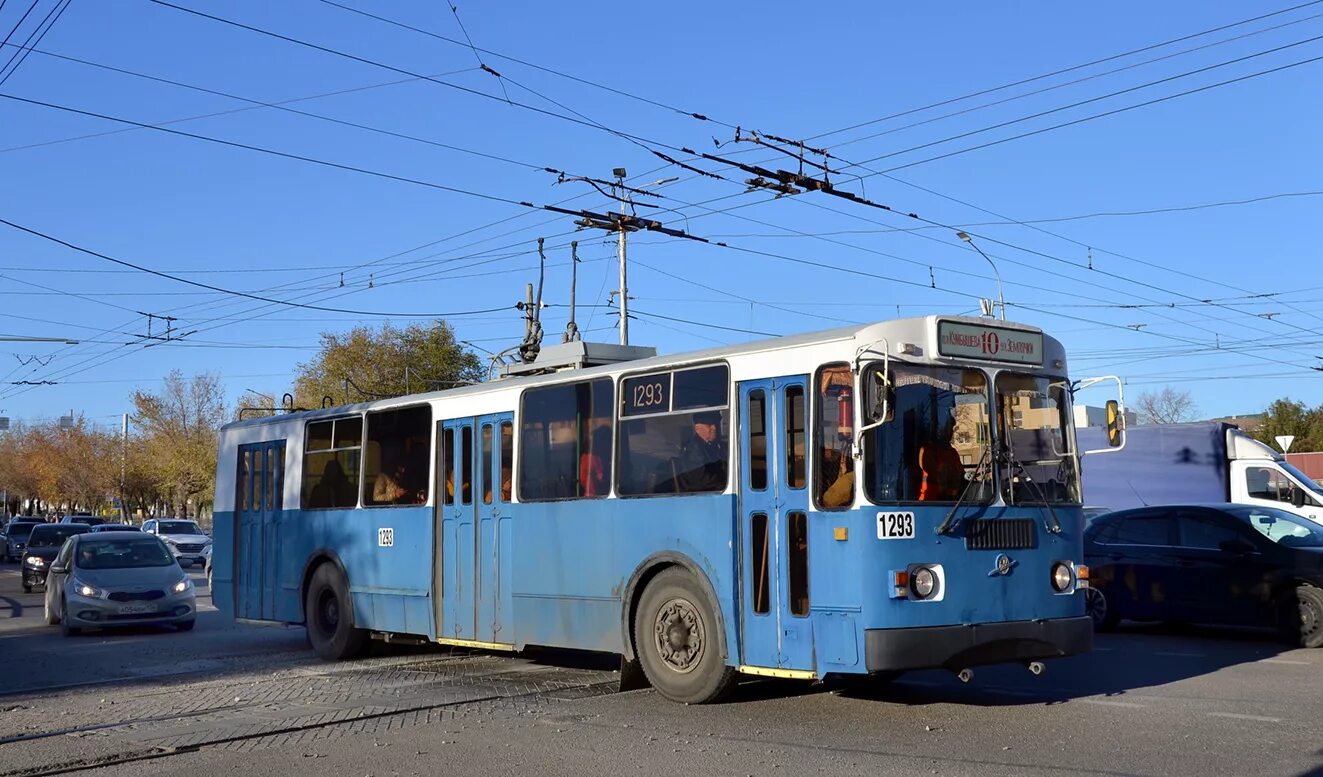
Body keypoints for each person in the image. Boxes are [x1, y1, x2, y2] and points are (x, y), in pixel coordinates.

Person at [676, 411, 727, 492]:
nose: (714, 428)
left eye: (715, 424)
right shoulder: (693, 450)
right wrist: (727, 481)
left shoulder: (714, 446)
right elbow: (701, 479)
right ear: (698, 429)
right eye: (709, 425)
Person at [917, 418, 964, 501]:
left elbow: (961, 474)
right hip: (930, 502)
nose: (950, 433)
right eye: (947, 429)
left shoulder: (953, 453)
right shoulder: (927, 451)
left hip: (953, 501)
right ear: (939, 430)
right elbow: (941, 477)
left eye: (951, 429)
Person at [579, 427, 611, 497]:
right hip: (593, 498)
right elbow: (600, 480)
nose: (609, 446)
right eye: (607, 441)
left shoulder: (602, 459)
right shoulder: (590, 459)